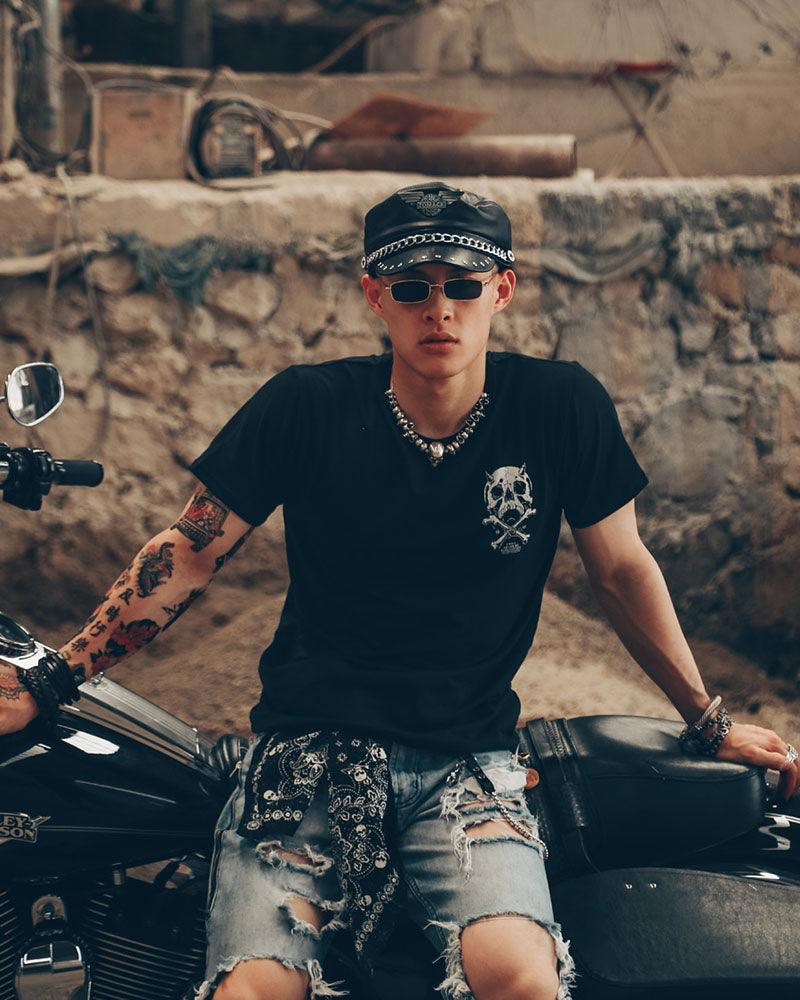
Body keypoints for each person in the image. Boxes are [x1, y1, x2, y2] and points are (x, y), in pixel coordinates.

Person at [1, 181, 797, 1000]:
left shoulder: (560, 408)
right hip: (304, 760)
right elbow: (190, 550)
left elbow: (621, 570)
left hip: (468, 765)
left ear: (502, 290)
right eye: (412, 287)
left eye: (462, 286)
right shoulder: (306, 405)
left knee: (522, 980)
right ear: (375, 295)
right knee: (255, 992)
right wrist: (52, 678)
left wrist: (710, 722)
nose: (439, 310)